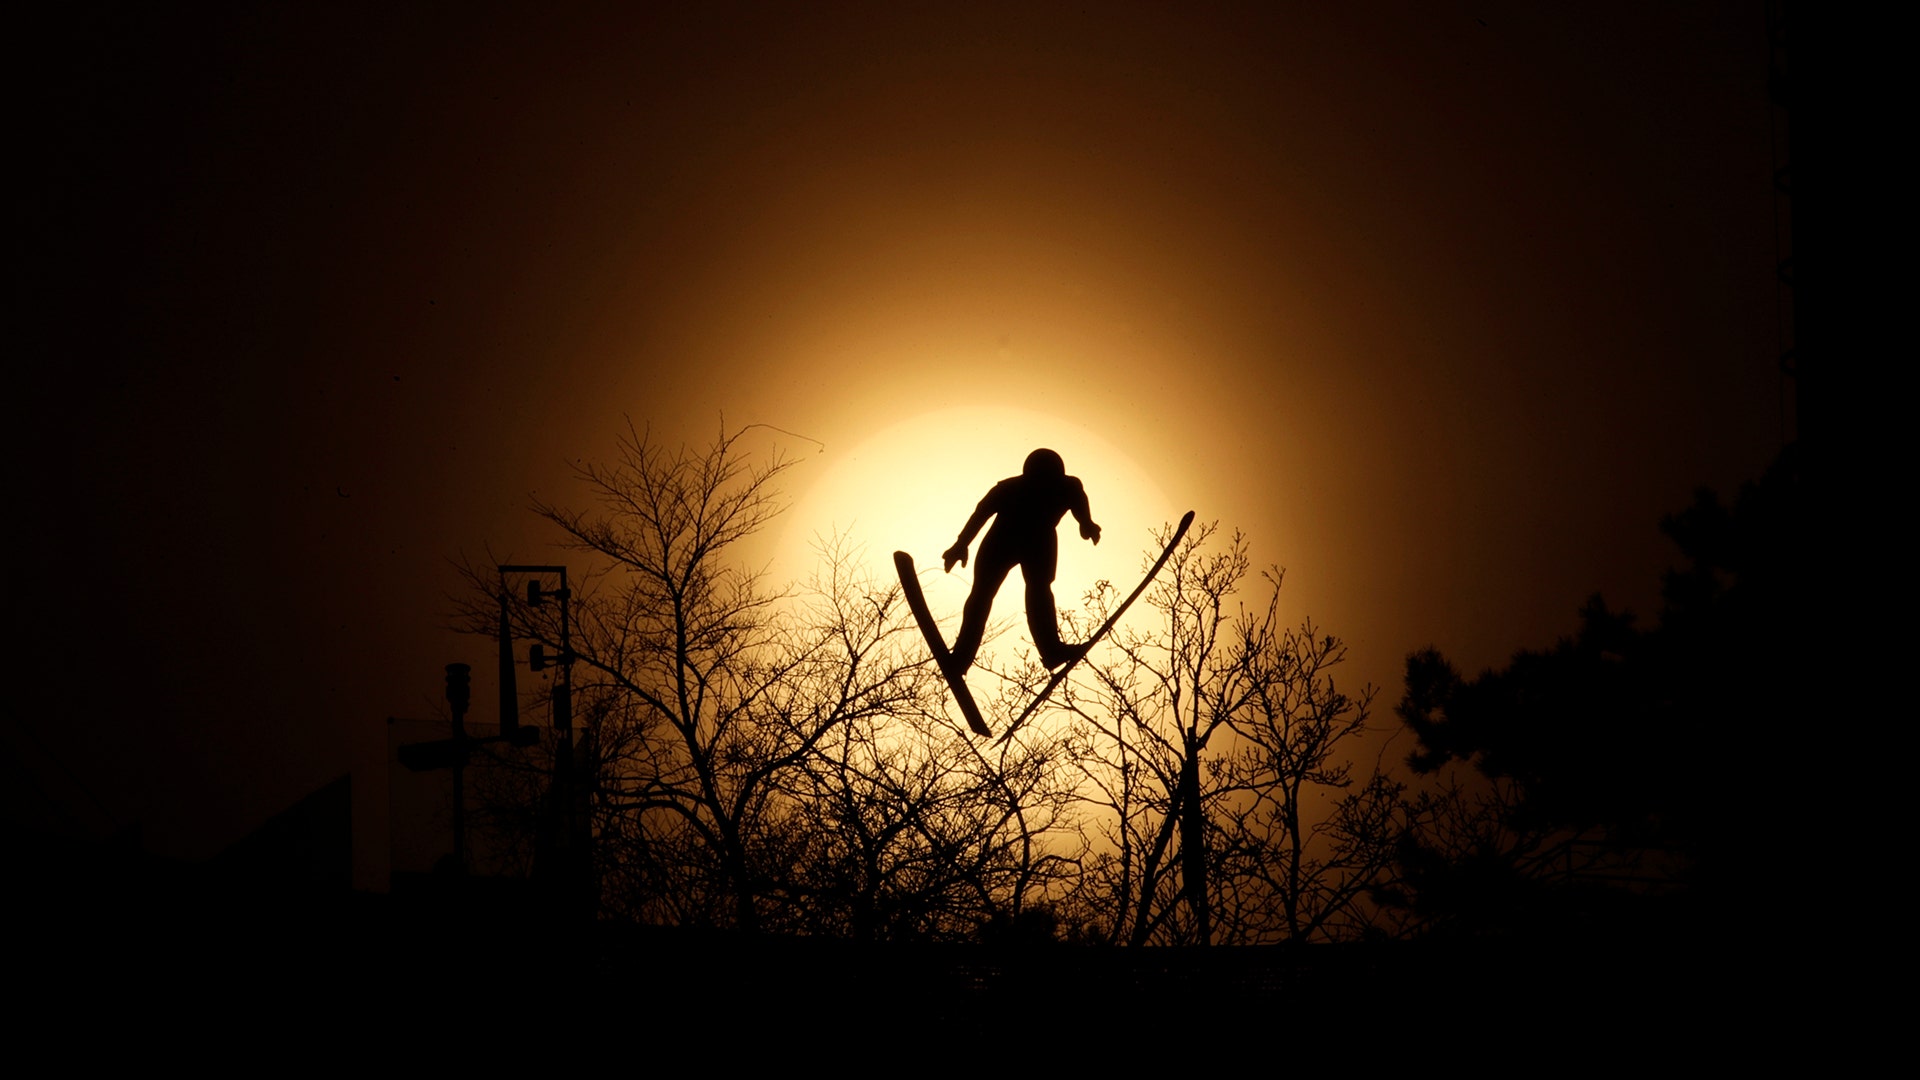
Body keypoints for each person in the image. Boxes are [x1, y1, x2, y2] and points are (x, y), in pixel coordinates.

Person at [942, 448, 1101, 672]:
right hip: (1002, 541)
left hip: (1039, 541)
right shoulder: (1009, 488)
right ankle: (961, 657)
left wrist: (1087, 523)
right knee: (983, 594)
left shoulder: (1069, 487)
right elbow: (981, 513)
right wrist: (960, 544)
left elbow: (1080, 506)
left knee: (1038, 591)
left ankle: (1051, 650)